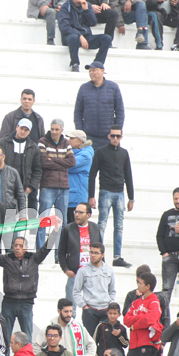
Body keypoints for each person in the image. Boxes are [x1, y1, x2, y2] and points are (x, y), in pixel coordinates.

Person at [0, 231, 56, 340]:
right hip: (9, 302)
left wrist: (56, 231)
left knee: (27, 337)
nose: (17, 248)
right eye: (15, 245)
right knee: (4, 336)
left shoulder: (34, 259)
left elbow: (46, 248)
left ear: (26, 248)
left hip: (26, 303)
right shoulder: (7, 259)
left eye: (20, 246)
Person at [89, 125, 134, 268]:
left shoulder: (124, 153)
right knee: (101, 225)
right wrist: (91, 196)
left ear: (121, 137)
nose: (115, 138)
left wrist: (131, 197)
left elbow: (128, 175)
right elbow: (92, 175)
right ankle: (99, 256)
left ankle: (117, 256)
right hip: (105, 192)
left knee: (119, 226)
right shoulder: (100, 152)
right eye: (113, 136)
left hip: (120, 193)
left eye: (118, 136)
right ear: (108, 136)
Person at [124, 272, 163, 356]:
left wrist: (136, 322)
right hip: (133, 345)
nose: (137, 285)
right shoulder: (136, 301)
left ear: (148, 286)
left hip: (147, 344)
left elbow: (150, 319)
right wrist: (139, 319)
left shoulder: (154, 301)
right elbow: (126, 319)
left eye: (140, 283)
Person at [37, 121, 75, 248]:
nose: (54, 132)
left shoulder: (66, 143)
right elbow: (43, 162)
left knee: (61, 223)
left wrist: (53, 160)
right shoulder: (42, 141)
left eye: (57, 129)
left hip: (63, 187)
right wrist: (62, 163)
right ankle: (40, 253)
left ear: (61, 130)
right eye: (52, 129)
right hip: (47, 186)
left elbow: (72, 162)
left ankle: (59, 255)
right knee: (43, 221)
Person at [58, 0, 112, 71]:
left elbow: (93, 23)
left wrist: (87, 10)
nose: (79, 0)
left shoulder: (87, 5)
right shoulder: (65, 8)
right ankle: (75, 64)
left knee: (107, 38)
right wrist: (79, 35)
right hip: (71, 37)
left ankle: (97, 65)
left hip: (86, 37)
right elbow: (64, 27)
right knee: (73, 37)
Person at [73, 61, 124, 150]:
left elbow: (120, 111)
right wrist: (81, 132)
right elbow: (78, 112)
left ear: (102, 71)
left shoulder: (113, 87)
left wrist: (115, 132)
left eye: (93, 70)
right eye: (90, 71)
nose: (91, 73)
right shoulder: (84, 88)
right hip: (89, 137)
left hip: (108, 137)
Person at [0, 119, 41, 213]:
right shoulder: (2, 143)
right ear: (16, 127)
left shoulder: (34, 147)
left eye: (26, 130)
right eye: (21, 128)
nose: (22, 132)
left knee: (19, 219)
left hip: (23, 189)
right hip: (4, 188)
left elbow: (37, 170)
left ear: (29, 132)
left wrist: (30, 188)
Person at [73, 242, 117, 335]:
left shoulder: (109, 271)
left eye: (96, 253)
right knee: (89, 340)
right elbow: (76, 291)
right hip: (90, 310)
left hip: (105, 311)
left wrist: (110, 304)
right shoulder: (82, 271)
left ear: (102, 255)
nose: (93, 255)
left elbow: (112, 291)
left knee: (105, 340)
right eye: (91, 252)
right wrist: (84, 306)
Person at [158, 188, 179, 315]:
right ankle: (164, 319)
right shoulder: (166, 214)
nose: (178, 201)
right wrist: (164, 253)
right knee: (167, 290)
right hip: (170, 257)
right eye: (176, 199)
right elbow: (159, 235)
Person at [67, 130, 93, 222]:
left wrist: (55, 161)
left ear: (80, 141)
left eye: (72, 138)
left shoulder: (86, 155)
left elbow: (68, 165)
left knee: (74, 228)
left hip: (77, 199)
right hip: (70, 197)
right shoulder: (72, 153)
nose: (69, 140)